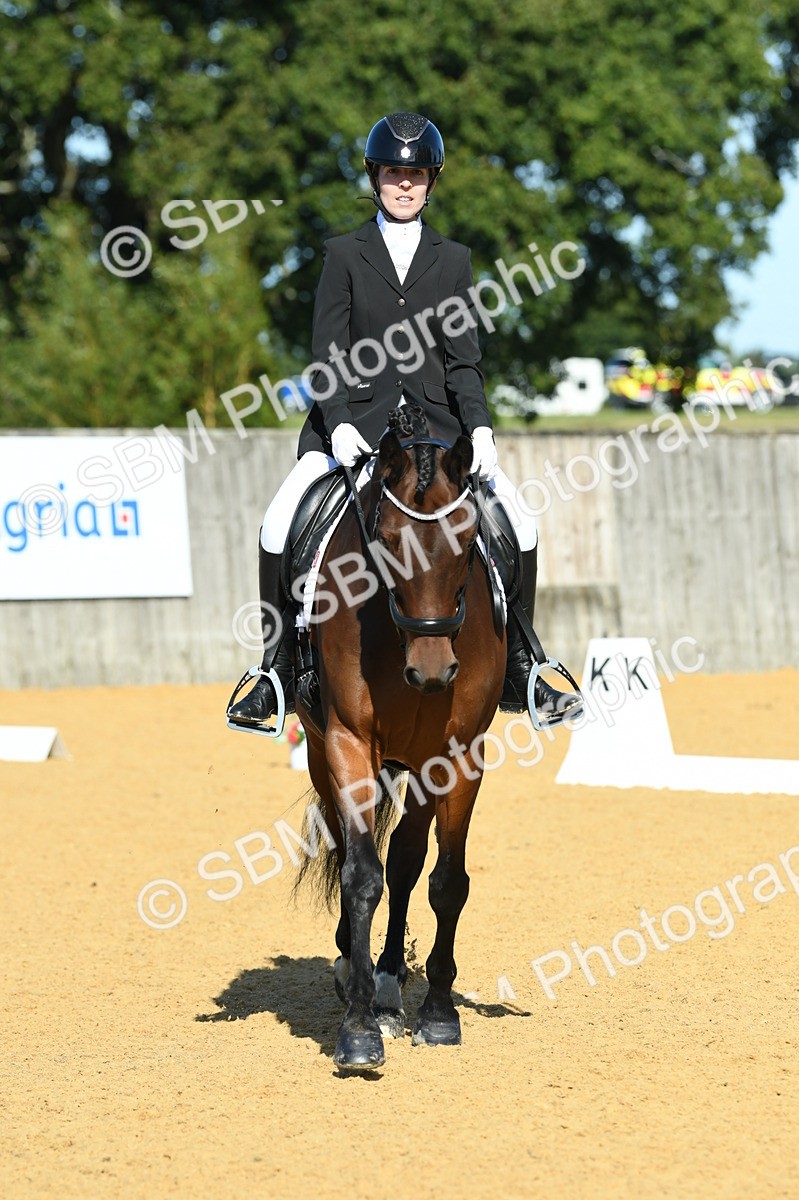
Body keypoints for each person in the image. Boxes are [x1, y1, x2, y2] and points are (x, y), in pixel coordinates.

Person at [228, 111, 581, 730]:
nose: (404, 184)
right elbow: (325, 354)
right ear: (375, 177)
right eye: (394, 172)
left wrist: (481, 430)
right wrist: (336, 421)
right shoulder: (343, 254)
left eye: (416, 174)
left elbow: (464, 362)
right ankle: (276, 668)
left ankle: (523, 662)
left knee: (519, 520)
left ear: (431, 181)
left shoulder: (454, 259)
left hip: (438, 436)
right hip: (350, 431)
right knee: (279, 519)